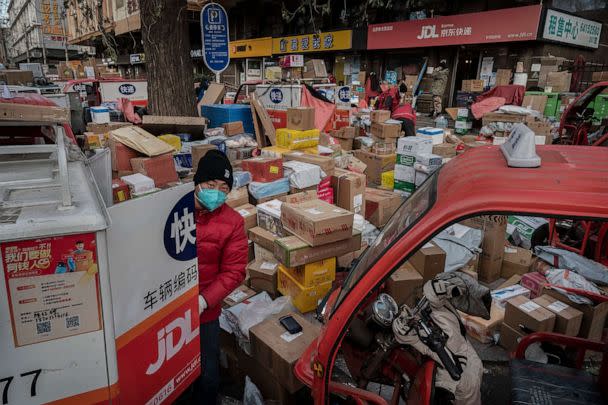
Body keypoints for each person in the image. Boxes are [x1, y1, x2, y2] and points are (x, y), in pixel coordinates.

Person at [193, 150, 248, 405]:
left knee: (208, 375)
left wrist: (204, 301)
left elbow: (234, 270)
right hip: (169, 310)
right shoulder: (175, 211)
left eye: (224, 188)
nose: (216, 192)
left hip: (206, 312)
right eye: (211, 184)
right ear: (197, 182)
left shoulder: (233, 223)